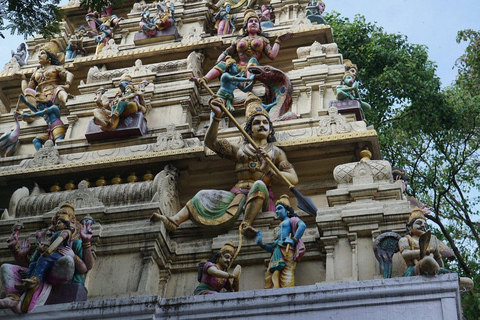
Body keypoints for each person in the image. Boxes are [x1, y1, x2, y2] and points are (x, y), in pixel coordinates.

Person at [151, 93, 298, 237]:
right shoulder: (240, 149)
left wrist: (270, 170)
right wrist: (216, 117)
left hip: (260, 197)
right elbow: (211, 143)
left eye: (265, 123)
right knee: (202, 195)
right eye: (256, 123)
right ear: (249, 129)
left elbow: (293, 178)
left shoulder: (276, 153)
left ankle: (246, 224)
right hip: (237, 194)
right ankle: (175, 220)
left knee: (259, 184)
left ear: (271, 129)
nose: (261, 125)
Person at [0, 202, 94, 313]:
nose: (54, 226)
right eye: (54, 223)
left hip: (56, 275)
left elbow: (86, 267)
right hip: (38, 272)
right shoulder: (46, 243)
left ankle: (28, 294)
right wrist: (17, 253)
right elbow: (32, 263)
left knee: (67, 260)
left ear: (71, 222)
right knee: (6, 267)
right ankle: (13, 298)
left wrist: (77, 252)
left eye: (59, 222)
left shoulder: (75, 242)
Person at [193, 9, 292, 84]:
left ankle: (248, 82)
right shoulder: (238, 40)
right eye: (250, 21)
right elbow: (226, 54)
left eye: (256, 21)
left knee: (252, 62)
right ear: (245, 26)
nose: (253, 23)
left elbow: (272, 55)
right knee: (223, 64)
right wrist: (221, 61)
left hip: (254, 68)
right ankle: (204, 79)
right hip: (237, 68)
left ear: (259, 26)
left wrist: (278, 40)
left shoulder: (263, 40)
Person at [256, 194, 306, 288]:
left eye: (279, 208)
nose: (277, 211)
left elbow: (302, 226)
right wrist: (261, 244)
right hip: (276, 252)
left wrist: (294, 240)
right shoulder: (278, 227)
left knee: (287, 274)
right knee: (270, 276)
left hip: (287, 251)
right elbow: (273, 247)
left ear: (287, 210)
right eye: (276, 209)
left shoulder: (292, 220)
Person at [21, 41, 74, 108]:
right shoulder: (36, 72)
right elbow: (29, 88)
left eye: (42, 53)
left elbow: (69, 74)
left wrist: (67, 85)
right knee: (28, 91)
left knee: (59, 89)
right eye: (39, 54)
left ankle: (67, 99)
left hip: (54, 92)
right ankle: (33, 110)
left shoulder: (55, 68)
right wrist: (23, 79)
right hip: (42, 96)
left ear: (49, 58)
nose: (39, 56)